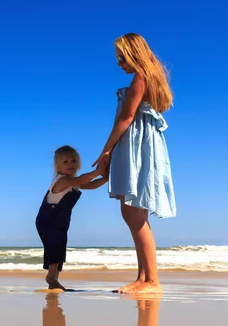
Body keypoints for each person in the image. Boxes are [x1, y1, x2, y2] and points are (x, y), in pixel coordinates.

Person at [92, 33, 176, 294]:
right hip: (140, 145)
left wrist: (106, 151)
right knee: (134, 212)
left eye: (121, 56)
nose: (118, 62)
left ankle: (152, 281)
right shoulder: (149, 78)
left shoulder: (141, 78)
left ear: (134, 53)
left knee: (133, 212)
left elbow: (126, 117)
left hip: (135, 146)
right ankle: (143, 278)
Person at [36, 145, 107, 290]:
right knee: (54, 246)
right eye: (65, 162)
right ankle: (51, 276)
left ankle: (54, 278)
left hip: (60, 220)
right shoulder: (62, 181)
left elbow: (91, 185)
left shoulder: (74, 182)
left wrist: (106, 178)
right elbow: (84, 179)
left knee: (59, 247)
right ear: (58, 167)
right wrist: (98, 171)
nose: (70, 165)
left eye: (73, 161)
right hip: (48, 219)